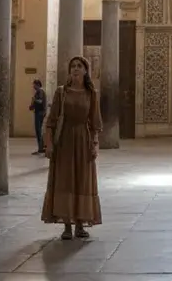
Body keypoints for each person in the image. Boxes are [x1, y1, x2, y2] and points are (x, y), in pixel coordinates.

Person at [41, 56, 103, 240]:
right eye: (72, 66)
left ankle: (80, 225)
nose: (75, 69)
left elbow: (95, 123)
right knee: (65, 180)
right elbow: (51, 121)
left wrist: (95, 144)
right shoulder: (62, 92)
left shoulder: (92, 94)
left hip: (83, 140)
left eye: (79, 66)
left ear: (85, 70)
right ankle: (67, 226)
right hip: (65, 140)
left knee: (82, 180)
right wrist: (50, 144)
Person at [30, 79, 48, 155]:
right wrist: (32, 106)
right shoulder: (39, 91)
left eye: (34, 84)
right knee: (38, 130)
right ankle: (41, 148)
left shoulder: (40, 91)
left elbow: (40, 101)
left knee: (38, 131)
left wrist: (34, 100)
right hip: (39, 112)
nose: (33, 86)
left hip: (39, 113)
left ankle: (41, 149)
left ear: (37, 84)